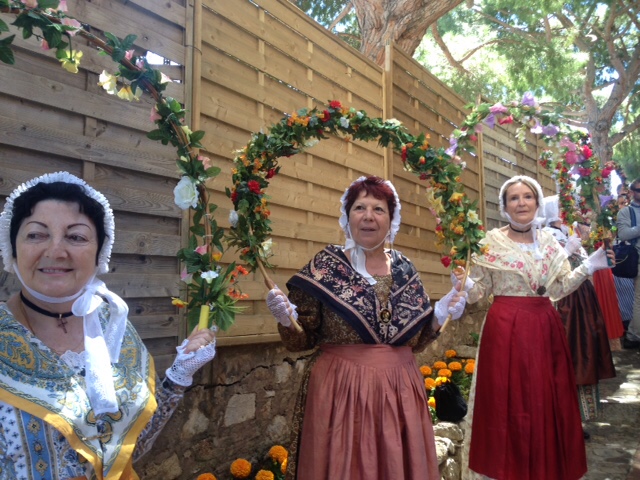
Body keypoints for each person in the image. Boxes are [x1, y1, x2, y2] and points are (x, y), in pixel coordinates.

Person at [0, 172, 216, 479]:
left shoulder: (116, 332)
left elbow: (128, 449)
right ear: (12, 248)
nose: (56, 251)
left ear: (100, 251)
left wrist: (179, 376)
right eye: (36, 234)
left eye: (76, 236)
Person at [265, 176, 467, 480]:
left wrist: (441, 313)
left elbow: (418, 338)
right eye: (360, 207)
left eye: (379, 209)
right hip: (339, 392)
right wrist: (286, 319)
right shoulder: (325, 266)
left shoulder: (405, 268)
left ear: (391, 219)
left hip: (400, 391)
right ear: (347, 217)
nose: (369, 216)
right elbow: (300, 340)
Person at [455, 175, 614, 480]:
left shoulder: (550, 243)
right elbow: (480, 292)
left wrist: (589, 266)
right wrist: (461, 285)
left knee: (543, 400)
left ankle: (544, 469)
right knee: (505, 400)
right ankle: (506, 469)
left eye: (527, 196)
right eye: (513, 198)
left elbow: (559, 288)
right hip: (504, 328)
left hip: (544, 327)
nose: (521, 203)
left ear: (537, 202)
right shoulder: (490, 242)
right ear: (504, 206)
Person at [542, 196, 615, 434]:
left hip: (582, 302)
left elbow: (584, 266)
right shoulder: (546, 237)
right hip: (563, 305)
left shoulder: (569, 233)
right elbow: (547, 273)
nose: (565, 212)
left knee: (583, 355)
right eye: (561, 208)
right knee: (566, 357)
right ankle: (559, 418)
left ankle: (577, 418)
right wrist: (565, 250)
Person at [617, 177, 640, 346]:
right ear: (632, 192)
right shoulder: (625, 212)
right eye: (639, 190)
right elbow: (623, 234)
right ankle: (633, 335)